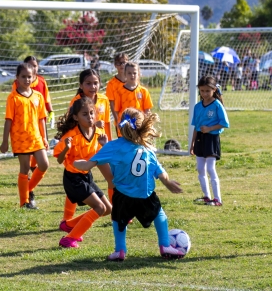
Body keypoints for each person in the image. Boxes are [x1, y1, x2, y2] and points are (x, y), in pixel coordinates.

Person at [73, 108, 185, 261]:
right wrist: (168, 182)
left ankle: (120, 251)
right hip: (145, 194)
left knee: (119, 220)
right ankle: (165, 245)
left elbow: (87, 166)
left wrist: (75, 163)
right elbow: (160, 172)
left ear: (120, 126)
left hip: (123, 194)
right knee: (159, 215)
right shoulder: (147, 148)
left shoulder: (113, 146)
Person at [54, 97, 112, 248]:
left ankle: (69, 225)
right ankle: (69, 239)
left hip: (86, 176)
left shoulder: (99, 133)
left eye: (92, 113)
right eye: (85, 114)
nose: (90, 117)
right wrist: (66, 148)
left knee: (108, 209)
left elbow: (104, 157)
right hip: (73, 178)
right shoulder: (71, 136)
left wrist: (105, 146)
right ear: (76, 117)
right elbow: (59, 160)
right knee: (99, 208)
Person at [62, 69, 115, 225]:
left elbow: (106, 124)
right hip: (81, 148)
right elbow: (71, 125)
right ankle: (67, 219)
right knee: (76, 182)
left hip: (99, 146)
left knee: (112, 179)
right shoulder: (76, 101)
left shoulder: (104, 100)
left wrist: (109, 145)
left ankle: (116, 213)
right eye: (88, 83)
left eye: (96, 83)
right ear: (81, 85)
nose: (92, 86)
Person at [0, 63, 49, 209]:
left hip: (36, 138)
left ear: (34, 77)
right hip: (20, 139)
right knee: (25, 168)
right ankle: (24, 202)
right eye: (24, 76)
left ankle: (27, 189)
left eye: (30, 76)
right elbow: (9, 120)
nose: (27, 79)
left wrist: (44, 137)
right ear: (17, 78)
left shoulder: (38, 96)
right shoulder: (13, 98)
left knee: (44, 164)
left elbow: (41, 119)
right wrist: (4, 142)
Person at [190, 76, 230, 206]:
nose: (204, 94)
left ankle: (217, 199)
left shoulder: (217, 105)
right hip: (200, 139)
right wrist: (192, 144)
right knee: (200, 168)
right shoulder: (197, 107)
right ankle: (207, 196)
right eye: (202, 91)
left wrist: (210, 128)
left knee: (210, 168)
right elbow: (195, 127)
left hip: (211, 139)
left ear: (214, 90)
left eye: (207, 91)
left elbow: (225, 123)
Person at [22, 56, 54, 181]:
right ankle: (29, 170)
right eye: (30, 65)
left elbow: (47, 97)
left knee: (41, 144)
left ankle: (33, 166)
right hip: (26, 123)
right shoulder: (19, 82)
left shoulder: (41, 81)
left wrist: (50, 110)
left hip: (40, 120)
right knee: (29, 148)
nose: (33, 68)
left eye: (35, 65)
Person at [113, 62, 153, 136]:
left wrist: (147, 124)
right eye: (129, 73)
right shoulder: (119, 92)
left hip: (139, 126)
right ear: (125, 74)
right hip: (125, 127)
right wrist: (118, 123)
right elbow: (117, 111)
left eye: (134, 73)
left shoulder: (144, 91)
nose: (132, 75)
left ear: (138, 74)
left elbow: (147, 110)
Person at [105, 53, 128, 137]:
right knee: (122, 144)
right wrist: (117, 119)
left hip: (134, 118)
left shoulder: (132, 80)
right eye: (119, 63)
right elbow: (112, 103)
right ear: (115, 65)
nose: (122, 65)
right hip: (121, 119)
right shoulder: (111, 84)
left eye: (124, 62)